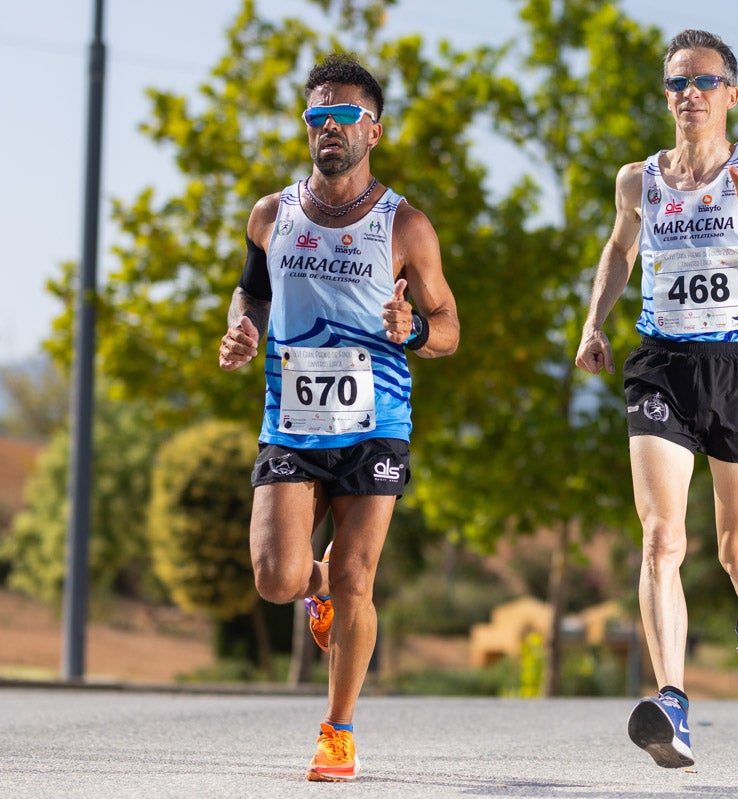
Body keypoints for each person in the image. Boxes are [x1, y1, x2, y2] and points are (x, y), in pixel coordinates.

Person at [574, 29, 738, 769]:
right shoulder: (638, 180)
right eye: (677, 82)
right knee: (660, 538)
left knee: (737, 553)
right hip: (661, 367)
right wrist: (594, 322)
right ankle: (674, 701)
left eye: (705, 81)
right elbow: (620, 249)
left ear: (731, 94)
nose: (689, 94)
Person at [219, 53, 459, 781]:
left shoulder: (405, 224)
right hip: (290, 420)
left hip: (374, 420)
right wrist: (242, 328)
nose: (328, 128)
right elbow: (249, 294)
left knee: (358, 575)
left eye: (343, 116)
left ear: (373, 131)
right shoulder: (271, 214)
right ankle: (312, 590)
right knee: (275, 577)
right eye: (316, 116)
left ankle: (338, 729)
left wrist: (412, 328)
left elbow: (448, 325)